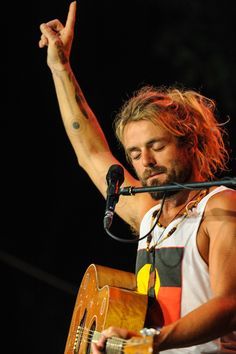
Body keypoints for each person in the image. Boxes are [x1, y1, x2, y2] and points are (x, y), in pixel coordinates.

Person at [39, 2, 236, 353]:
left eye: (156, 146)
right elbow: (90, 154)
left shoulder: (220, 207)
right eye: (133, 153)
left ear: (189, 142)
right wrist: (60, 67)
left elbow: (229, 306)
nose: (145, 161)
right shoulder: (151, 216)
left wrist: (150, 340)